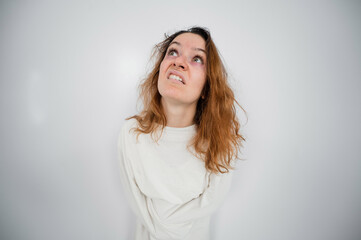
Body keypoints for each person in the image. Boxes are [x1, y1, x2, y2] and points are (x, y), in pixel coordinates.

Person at [118, 26, 245, 240]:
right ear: (160, 69)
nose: (178, 62)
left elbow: (211, 203)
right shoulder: (131, 134)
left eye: (197, 58)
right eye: (173, 52)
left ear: (206, 88)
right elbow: (137, 205)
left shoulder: (221, 142)